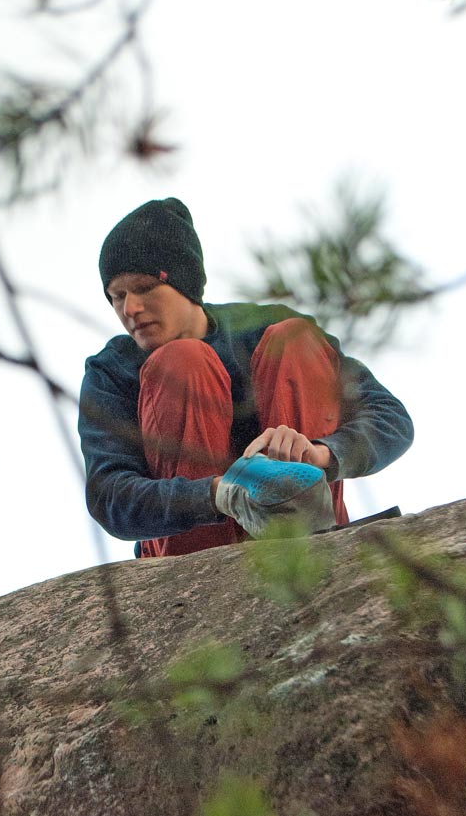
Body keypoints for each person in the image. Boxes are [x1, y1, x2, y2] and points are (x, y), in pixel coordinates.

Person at [78, 197, 414, 559]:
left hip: (303, 541)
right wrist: (218, 495)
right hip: (191, 556)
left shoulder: (262, 326)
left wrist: (319, 454)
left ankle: (309, 534)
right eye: (117, 296)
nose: (129, 309)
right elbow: (110, 495)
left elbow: (390, 418)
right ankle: (201, 561)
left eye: (144, 288)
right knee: (183, 361)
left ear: (184, 282)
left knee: (295, 339)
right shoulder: (111, 369)